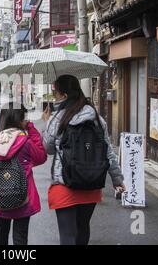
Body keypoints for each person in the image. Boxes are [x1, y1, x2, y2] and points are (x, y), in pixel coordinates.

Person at [42, 75, 126, 245]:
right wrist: (117, 178)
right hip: (91, 183)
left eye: (56, 93)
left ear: (64, 96)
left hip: (64, 184)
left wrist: (47, 123)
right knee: (83, 229)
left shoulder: (58, 118)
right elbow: (107, 151)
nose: (54, 97)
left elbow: (48, 149)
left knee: (67, 235)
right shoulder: (96, 118)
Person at [0, 102, 47, 245]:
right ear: (20, 119)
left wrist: (0, 181)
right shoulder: (25, 142)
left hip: (0, 196)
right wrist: (31, 129)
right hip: (24, 196)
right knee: (20, 235)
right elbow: (41, 157)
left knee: (2, 230)